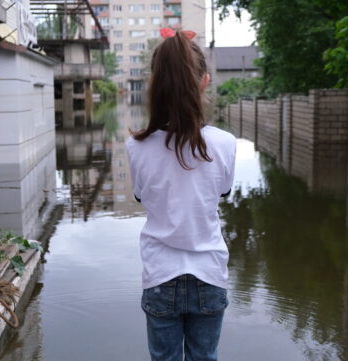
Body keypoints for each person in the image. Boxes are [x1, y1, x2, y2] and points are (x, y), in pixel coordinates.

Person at [125, 28, 237, 361]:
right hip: (209, 273)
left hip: (160, 273)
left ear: (154, 83)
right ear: (204, 81)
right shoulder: (225, 144)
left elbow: (142, 197)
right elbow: (222, 192)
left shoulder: (136, 146)